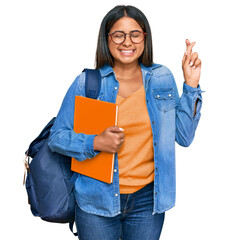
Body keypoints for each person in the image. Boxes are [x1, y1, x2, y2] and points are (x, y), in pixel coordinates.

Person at [48, 5, 203, 240]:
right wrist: (95, 142)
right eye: (118, 35)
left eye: (135, 34)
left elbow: (184, 137)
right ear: (107, 39)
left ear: (145, 38)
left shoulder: (162, 78)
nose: (127, 42)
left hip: (147, 201)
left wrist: (191, 86)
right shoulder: (87, 83)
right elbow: (57, 137)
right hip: (96, 200)